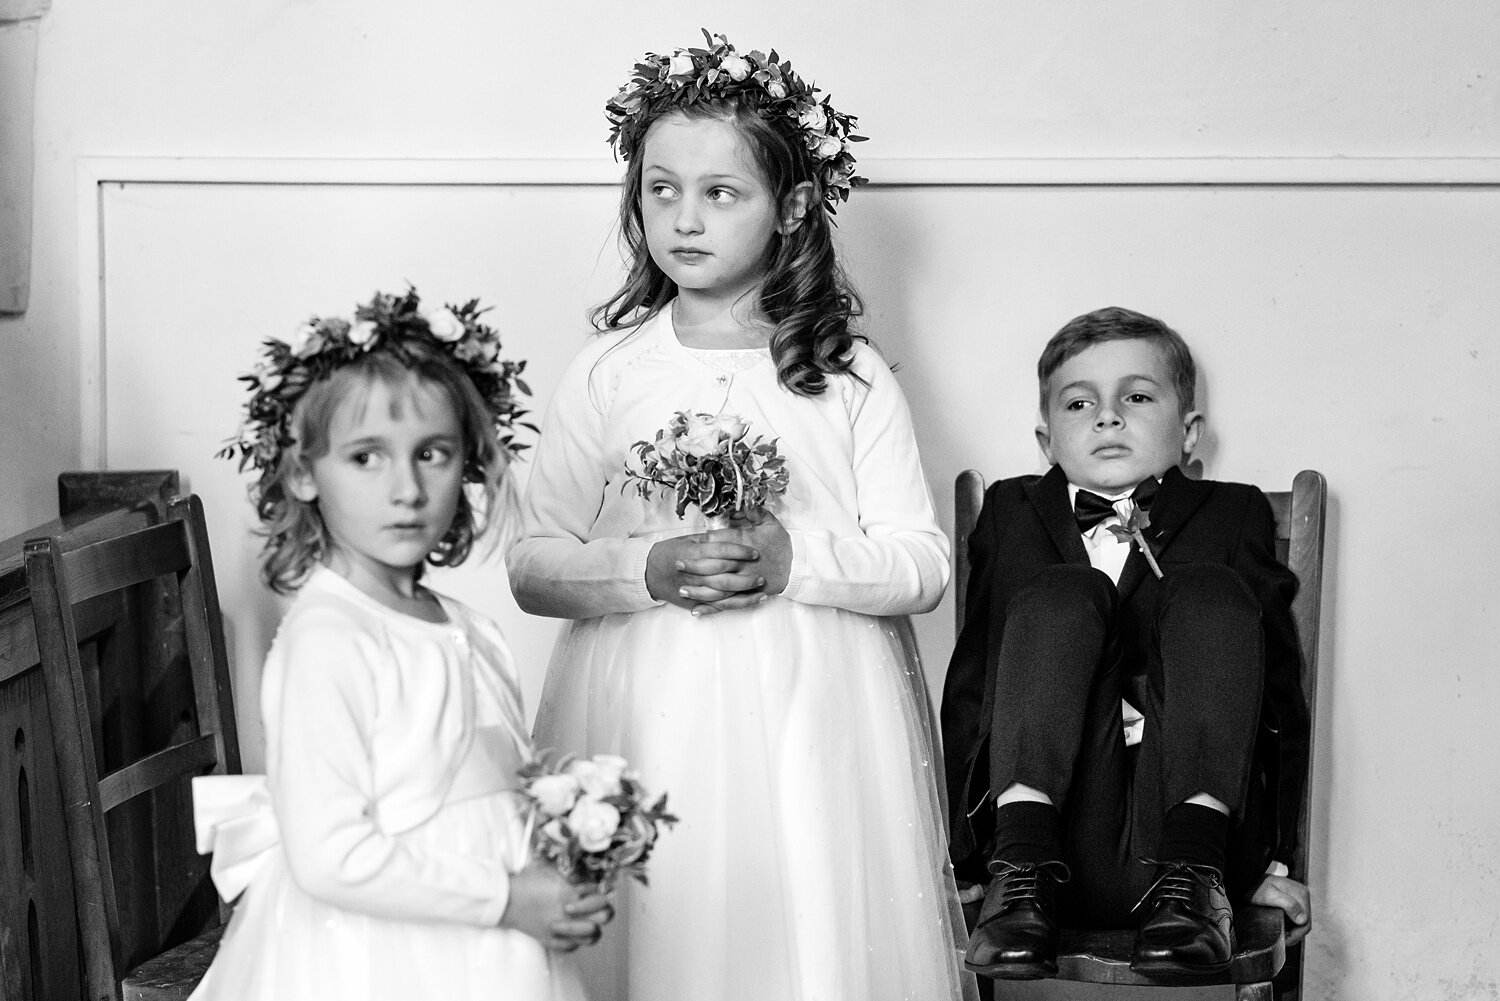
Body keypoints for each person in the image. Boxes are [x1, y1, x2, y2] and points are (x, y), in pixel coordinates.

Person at [506, 32, 977, 1001]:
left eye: (722, 193)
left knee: (802, 920)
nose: (684, 218)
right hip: (642, 704)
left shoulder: (847, 374)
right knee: (665, 913)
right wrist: (646, 568)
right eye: (660, 189)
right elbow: (532, 559)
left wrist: (794, 556)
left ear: (793, 206)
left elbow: (923, 561)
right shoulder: (610, 370)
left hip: (814, 710)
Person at [191, 289, 612, 1001]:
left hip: (487, 949)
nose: (407, 488)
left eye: (434, 453)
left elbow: (495, 789)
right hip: (380, 956)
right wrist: (506, 898)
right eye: (366, 457)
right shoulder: (329, 639)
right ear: (301, 472)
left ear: (470, 462)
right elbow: (329, 857)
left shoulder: (463, 626)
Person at [940, 306, 1313, 982]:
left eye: (1137, 397)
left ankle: (1196, 878)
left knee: (1208, 592)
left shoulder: (1233, 514)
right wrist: (965, 859)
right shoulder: (1010, 512)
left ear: (1189, 429)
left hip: (1190, 844)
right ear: (1046, 438)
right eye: (1079, 402)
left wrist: (1272, 861)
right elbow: (972, 688)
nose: (1107, 417)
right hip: (1049, 841)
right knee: (1062, 594)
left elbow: (1279, 694)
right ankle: (1018, 878)